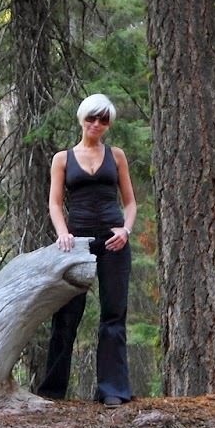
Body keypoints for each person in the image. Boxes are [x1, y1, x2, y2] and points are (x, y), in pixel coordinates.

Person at [36, 94, 137, 406]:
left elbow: (130, 203)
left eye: (103, 120)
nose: (97, 124)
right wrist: (63, 233)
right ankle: (53, 391)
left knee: (113, 314)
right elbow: (54, 203)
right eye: (92, 118)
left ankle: (112, 390)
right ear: (82, 119)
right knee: (66, 315)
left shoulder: (116, 156)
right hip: (76, 244)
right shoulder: (62, 159)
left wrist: (125, 230)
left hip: (113, 241)